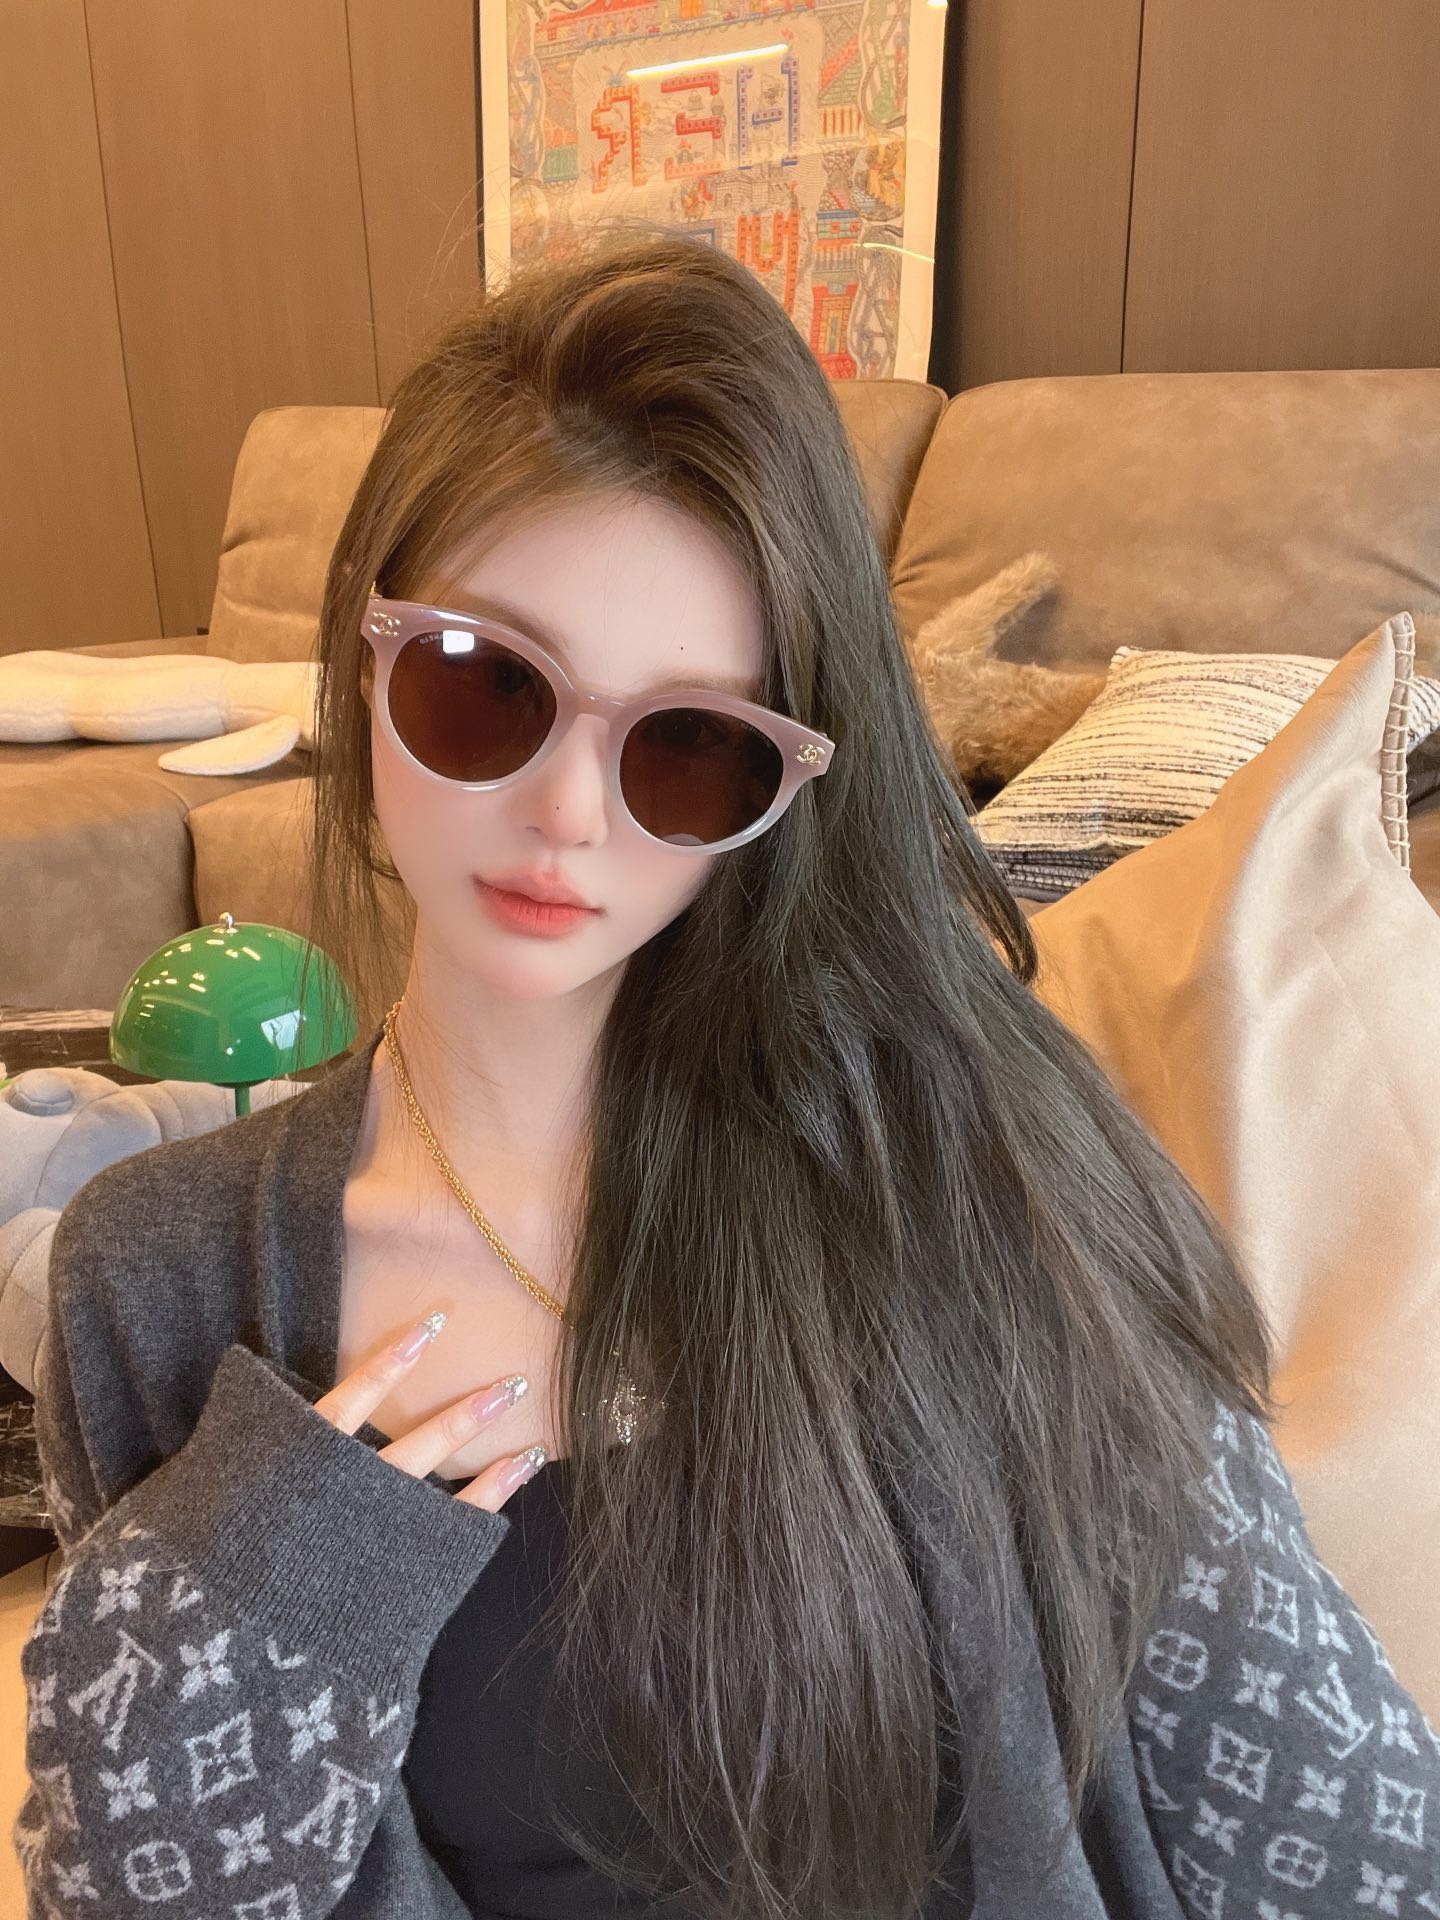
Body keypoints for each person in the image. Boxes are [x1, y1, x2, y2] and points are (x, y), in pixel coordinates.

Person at [14, 231, 1439, 1920]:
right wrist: (256, 1600)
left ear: (789, 780)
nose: (568, 815)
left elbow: (1322, 1807)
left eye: (690, 745)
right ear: (361, 652)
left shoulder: (992, 1174)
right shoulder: (156, 1276)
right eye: (487, 687)